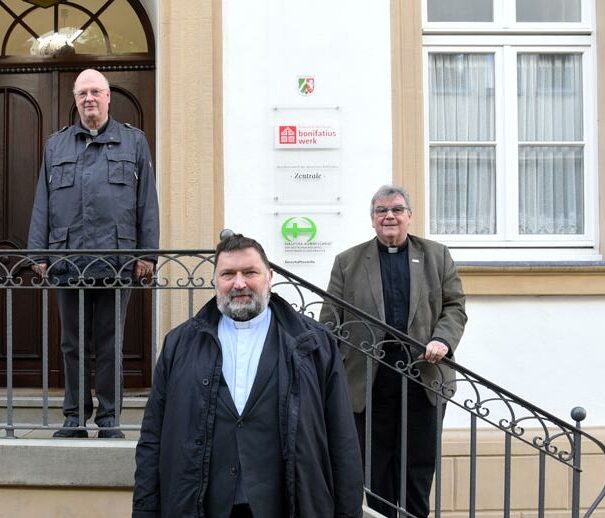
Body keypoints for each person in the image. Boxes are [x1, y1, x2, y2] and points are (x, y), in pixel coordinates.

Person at [133, 234, 363, 518]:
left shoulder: (314, 344)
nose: (239, 283)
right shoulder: (179, 344)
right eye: (228, 274)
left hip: (285, 503)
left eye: (250, 272)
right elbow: (152, 436)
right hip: (201, 503)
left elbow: (342, 438)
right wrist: (145, 509)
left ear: (269, 276)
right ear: (216, 280)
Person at [28, 68, 159, 439]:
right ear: (75, 99)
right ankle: (74, 417)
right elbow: (43, 199)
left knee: (109, 343)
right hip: (68, 258)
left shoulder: (134, 143)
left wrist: (147, 255)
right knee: (72, 343)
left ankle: (109, 419)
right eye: (83, 93)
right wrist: (38, 253)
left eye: (95, 92)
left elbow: (147, 201)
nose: (89, 99)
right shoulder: (56, 145)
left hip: (117, 260)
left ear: (108, 98)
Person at [324, 185, 467, 518]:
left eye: (397, 210)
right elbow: (330, 321)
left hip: (424, 378)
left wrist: (442, 341)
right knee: (373, 470)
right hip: (367, 383)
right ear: (372, 219)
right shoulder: (348, 262)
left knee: (418, 467)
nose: (389, 216)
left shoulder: (437, 255)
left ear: (409, 216)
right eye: (381, 210)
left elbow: (455, 307)